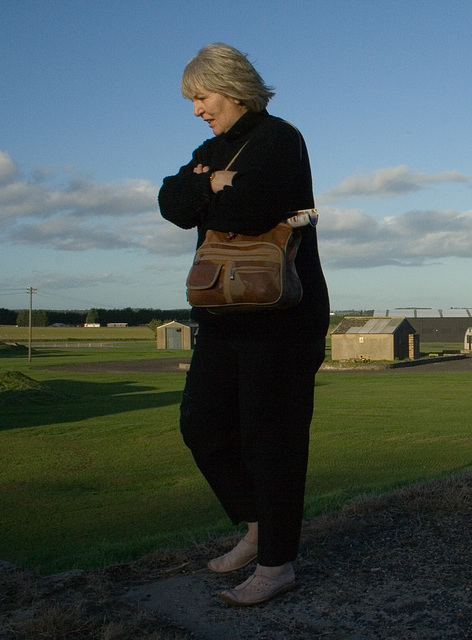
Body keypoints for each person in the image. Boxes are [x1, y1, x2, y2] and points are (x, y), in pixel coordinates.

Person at [158, 43, 329, 606]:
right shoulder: (211, 150)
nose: (196, 110)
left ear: (231, 89)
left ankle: (278, 564)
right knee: (201, 423)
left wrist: (210, 193)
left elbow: (249, 211)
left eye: (201, 97)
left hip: (281, 312)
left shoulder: (281, 138)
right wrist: (209, 185)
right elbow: (170, 201)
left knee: (271, 436)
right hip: (223, 311)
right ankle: (257, 527)